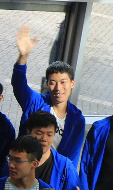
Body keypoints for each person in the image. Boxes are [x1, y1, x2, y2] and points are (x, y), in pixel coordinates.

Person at [11, 25, 85, 166]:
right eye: (53, 82)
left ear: (72, 83)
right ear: (46, 84)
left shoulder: (76, 119)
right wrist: (23, 57)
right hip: (25, 169)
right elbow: (19, 85)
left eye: (63, 82)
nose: (58, 88)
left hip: (53, 174)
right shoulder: (36, 103)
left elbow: (72, 159)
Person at [23, 111, 87, 190]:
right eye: (39, 133)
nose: (44, 138)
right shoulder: (17, 159)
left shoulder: (64, 166)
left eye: (49, 134)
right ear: (29, 132)